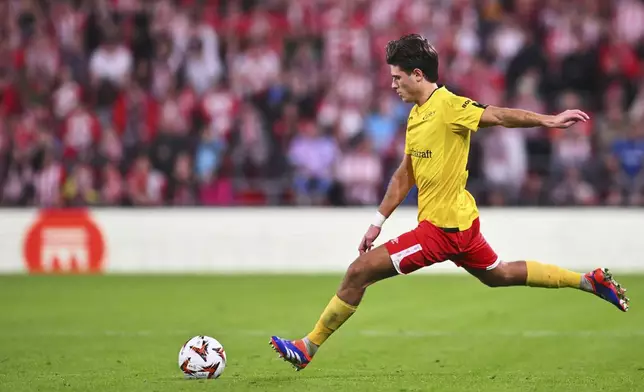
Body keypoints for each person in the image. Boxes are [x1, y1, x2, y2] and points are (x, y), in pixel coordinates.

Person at [269, 34, 630, 371]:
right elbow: (405, 174)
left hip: (440, 231)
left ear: (417, 74)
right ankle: (588, 281)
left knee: (357, 272)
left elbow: (499, 115)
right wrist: (377, 221)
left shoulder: (449, 106)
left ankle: (308, 347)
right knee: (499, 274)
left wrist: (548, 120)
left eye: (397, 77)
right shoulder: (416, 115)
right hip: (460, 224)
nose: (393, 85)